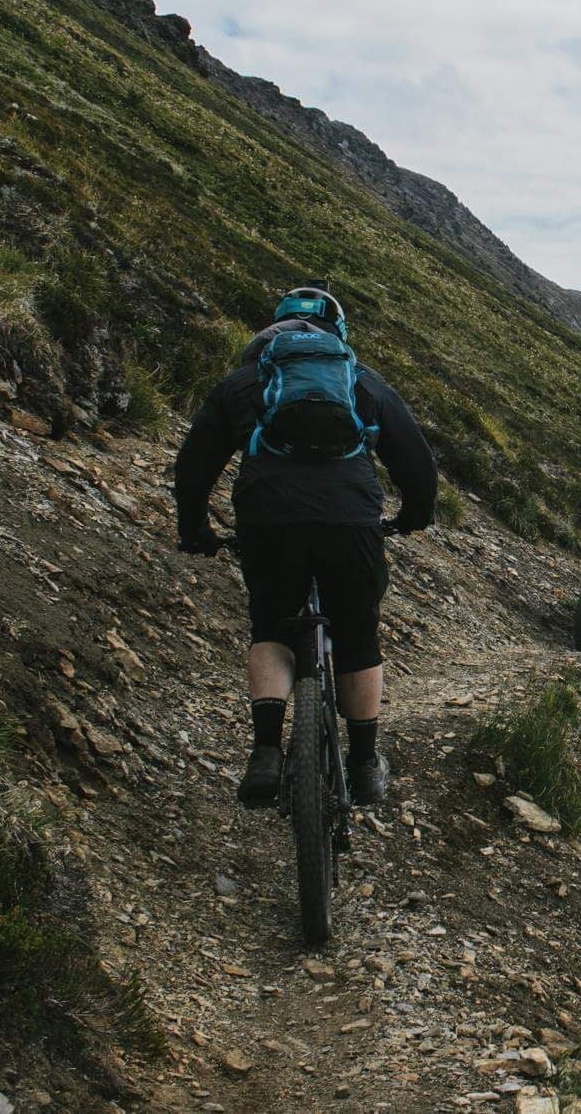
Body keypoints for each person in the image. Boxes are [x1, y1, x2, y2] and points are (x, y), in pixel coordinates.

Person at [173, 284, 436, 808]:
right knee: (358, 636)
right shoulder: (362, 381)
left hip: (269, 520)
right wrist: (412, 518)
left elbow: (193, 468)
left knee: (271, 625)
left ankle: (266, 752)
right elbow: (418, 466)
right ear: (335, 333)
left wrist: (194, 530)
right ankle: (363, 765)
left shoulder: (243, 383)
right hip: (351, 522)